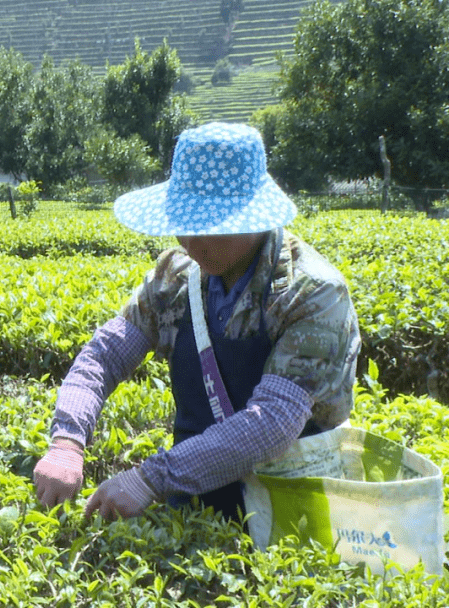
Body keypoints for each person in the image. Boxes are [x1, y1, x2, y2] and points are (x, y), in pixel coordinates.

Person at [33, 122, 361, 523]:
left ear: (252, 218)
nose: (189, 240)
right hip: (192, 502)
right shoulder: (175, 277)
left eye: (207, 225)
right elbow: (104, 356)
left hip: (291, 509)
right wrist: (67, 440)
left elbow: (273, 421)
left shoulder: (311, 293)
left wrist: (150, 479)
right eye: (183, 221)